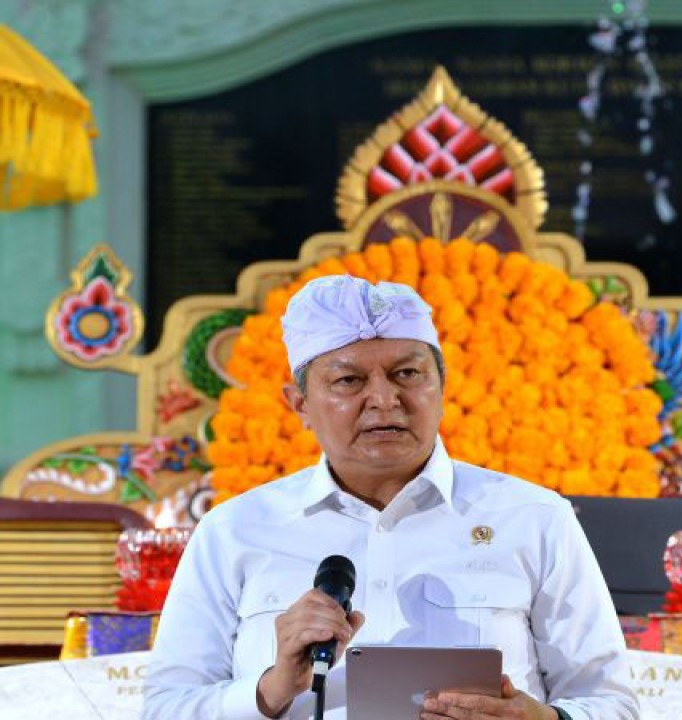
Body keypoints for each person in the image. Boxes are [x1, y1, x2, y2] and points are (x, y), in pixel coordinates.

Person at [143, 275, 639, 720]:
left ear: (441, 388)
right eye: (349, 380)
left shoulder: (533, 518)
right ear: (300, 405)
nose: (384, 399)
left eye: (407, 374)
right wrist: (271, 690)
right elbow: (164, 708)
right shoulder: (233, 530)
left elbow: (612, 703)